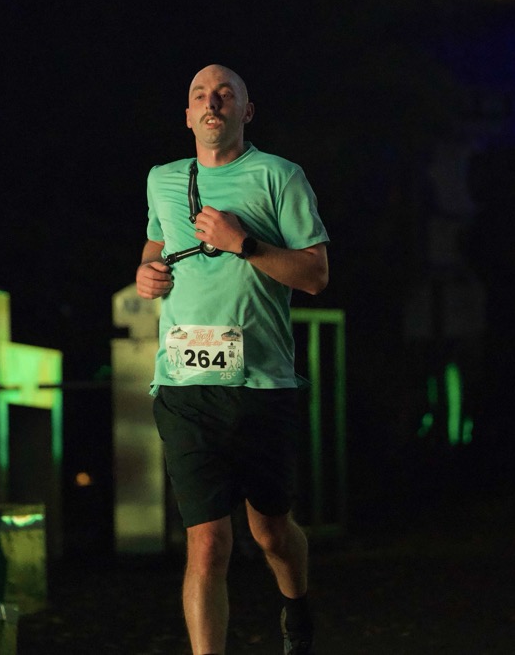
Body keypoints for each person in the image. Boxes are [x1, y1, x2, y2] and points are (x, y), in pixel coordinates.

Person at [136, 64, 329, 655]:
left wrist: (242, 243)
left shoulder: (279, 176)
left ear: (247, 111)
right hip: (183, 386)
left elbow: (315, 276)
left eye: (225, 95)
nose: (212, 103)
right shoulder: (163, 179)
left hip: (262, 385)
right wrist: (145, 271)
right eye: (200, 95)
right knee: (207, 543)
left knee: (270, 531)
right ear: (187, 116)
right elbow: (155, 244)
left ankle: (297, 610)